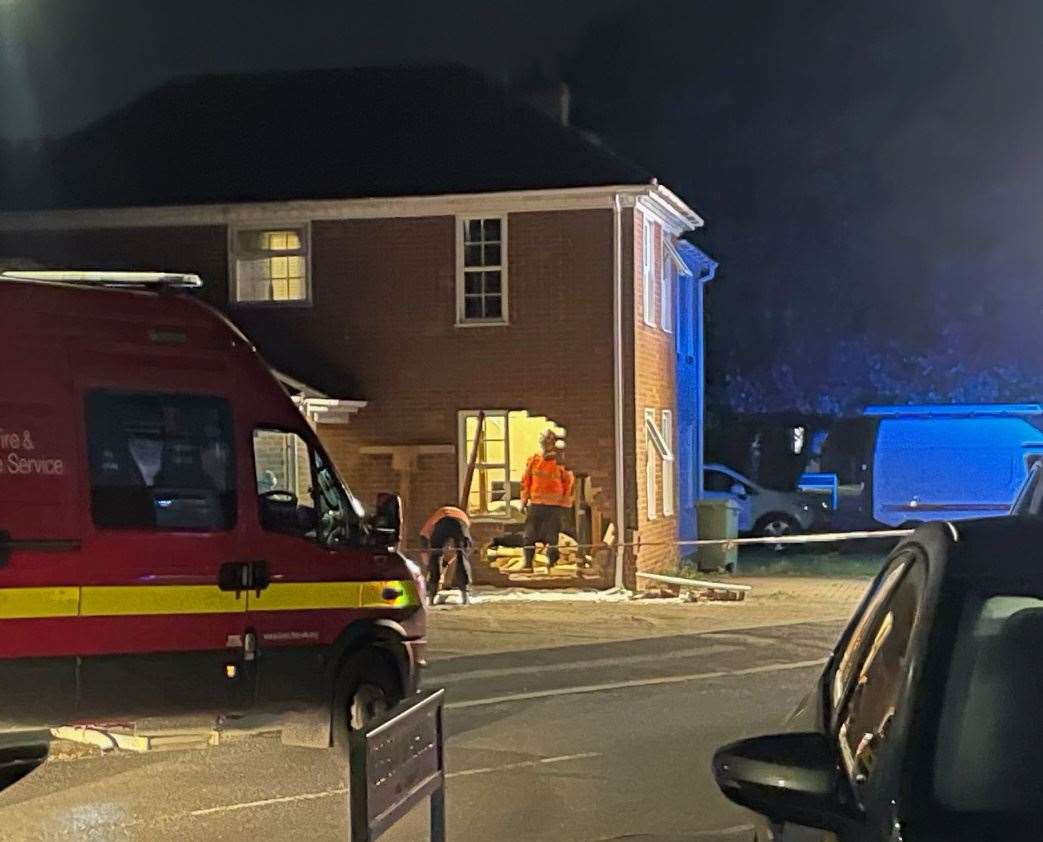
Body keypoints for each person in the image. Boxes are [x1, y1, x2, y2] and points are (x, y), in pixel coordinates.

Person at [520, 429, 575, 571]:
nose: (546, 445)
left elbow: (568, 483)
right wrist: (524, 500)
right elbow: (526, 481)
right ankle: (528, 563)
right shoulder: (534, 460)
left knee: (552, 537)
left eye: (549, 442)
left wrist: (564, 504)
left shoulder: (560, 462)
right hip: (536, 504)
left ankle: (552, 564)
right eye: (544, 442)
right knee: (529, 535)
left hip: (554, 506)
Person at [419, 504, 473, 605]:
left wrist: (427, 559)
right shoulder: (463, 520)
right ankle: (465, 596)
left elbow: (423, 536)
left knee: (435, 556)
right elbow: (466, 549)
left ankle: (431, 597)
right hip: (460, 523)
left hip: (442, 522)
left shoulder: (432, 521)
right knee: (462, 556)